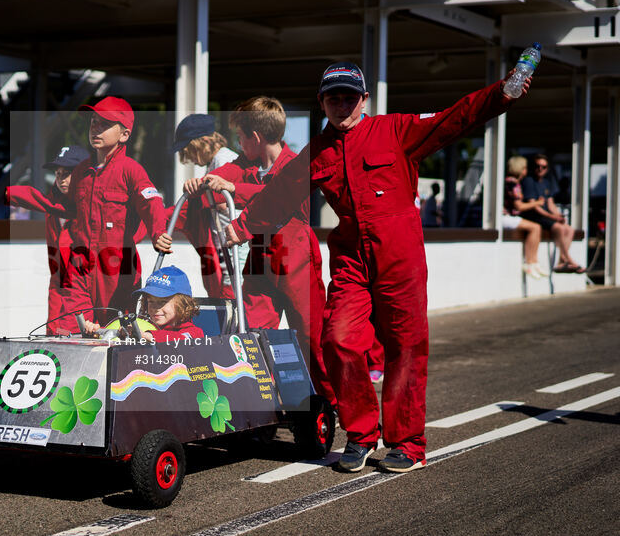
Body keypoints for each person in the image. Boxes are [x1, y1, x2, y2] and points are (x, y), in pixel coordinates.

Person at [225, 62, 532, 473]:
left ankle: (407, 442)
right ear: (322, 103)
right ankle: (361, 434)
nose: (341, 104)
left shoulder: (395, 130)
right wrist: (241, 227)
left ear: (364, 99)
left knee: (404, 346)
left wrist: (502, 94)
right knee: (337, 339)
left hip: (400, 258)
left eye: (349, 96)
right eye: (333, 97)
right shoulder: (317, 151)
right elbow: (278, 196)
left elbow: (454, 118)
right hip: (352, 259)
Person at [183, 96, 336, 408]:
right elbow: (228, 172)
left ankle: (327, 402)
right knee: (253, 334)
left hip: (296, 262)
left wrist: (231, 188)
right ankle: (261, 400)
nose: (238, 144)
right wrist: (204, 181)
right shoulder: (245, 164)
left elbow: (275, 196)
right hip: (259, 262)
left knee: (311, 337)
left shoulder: (295, 167)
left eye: (241, 138)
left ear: (255, 137)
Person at [0, 97, 172, 331]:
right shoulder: (81, 171)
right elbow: (66, 208)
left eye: (105, 124)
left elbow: (150, 201)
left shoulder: (130, 169)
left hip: (117, 267)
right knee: (73, 327)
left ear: (124, 135)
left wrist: (158, 232)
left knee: (120, 329)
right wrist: (14, 194)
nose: (95, 128)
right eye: (93, 122)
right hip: (80, 264)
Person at [6, 144, 89, 333]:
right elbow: (57, 274)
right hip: (59, 292)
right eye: (58, 173)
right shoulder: (53, 204)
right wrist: (53, 325)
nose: (61, 179)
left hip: (85, 303)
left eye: (67, 173)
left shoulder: (92, 207)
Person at [170, 113, 246, 299]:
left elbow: (226, 204)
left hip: (236, 249)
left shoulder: (224, 160)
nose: (188, 157)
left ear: (202, 142)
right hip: (226, 247)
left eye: (187, 150)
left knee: (232, 299)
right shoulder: (214, 163)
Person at [84, 266, 204, 343]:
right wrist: (98, 333)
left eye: (163, 302)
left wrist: (147, 336)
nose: (155, 308)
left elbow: (184, 340)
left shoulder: (194, 333)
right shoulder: (143, 326)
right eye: (150, 301)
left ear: (182, 304)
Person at [520, 153, 583, 273]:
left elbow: (550, 204)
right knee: (559, 228)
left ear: (547, 169)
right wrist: (552, 217)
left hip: (545, 216)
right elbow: (534, 206)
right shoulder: (529, 181)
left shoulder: (546, 183)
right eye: (538, 166)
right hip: (534, 216)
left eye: (543, 167)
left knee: (568, 229)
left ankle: (561, 261)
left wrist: (558, 215)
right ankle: (569, 260)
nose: (540, 169)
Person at [503, 156, 544, 279]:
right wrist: (537, 203)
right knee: (535, 227)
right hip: (504, 216)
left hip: (509, 216)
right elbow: (519, 206)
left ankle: (534, 262)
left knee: (536, 227)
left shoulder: (511, 182)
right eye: (525, 167)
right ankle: (530, 262)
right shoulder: (512, 183)